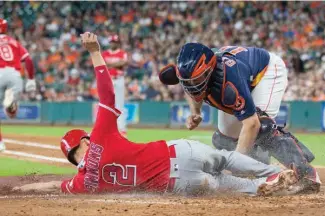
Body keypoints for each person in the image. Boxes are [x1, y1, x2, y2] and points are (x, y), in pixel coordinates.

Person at [13, 33, 298, 196]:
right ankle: (281, 174)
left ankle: (262, 186)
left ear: (71, 158)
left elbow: (51, 185)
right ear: (85, 142)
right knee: (225, 158)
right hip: (177, 154)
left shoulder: (82, 182)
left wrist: (19, 192)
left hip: (179, 184)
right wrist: (95, 54)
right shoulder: (100, 138)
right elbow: (107, 94)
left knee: (225, 184)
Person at [159, 43, 321, 193]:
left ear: (209, 71)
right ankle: (259, 168)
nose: (192, 85)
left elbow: (251, 124)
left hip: (266, 72)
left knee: (262, 128)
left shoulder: (229, 82)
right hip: (243, 75)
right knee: (223, 139)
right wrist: (196, 112)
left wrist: (234, 166)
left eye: (197, 80)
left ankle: (306, 173)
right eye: (187, 81)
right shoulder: (194, 76)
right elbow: (189, 87)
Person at [0, 18, 36, 151]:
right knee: (10, 108)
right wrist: (31, 79)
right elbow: (28, 59)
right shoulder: (14, 42)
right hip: (15, 75)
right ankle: (10, 103)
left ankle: (0, 143)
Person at [102, 35, 128, 137]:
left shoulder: (122, 53)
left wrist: (110, 64)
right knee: (106, 105)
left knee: (119, 105)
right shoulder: (105, 53)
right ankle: (105, 129)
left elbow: (124, 62)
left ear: (118, 43)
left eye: (115, 42)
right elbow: (102, 64)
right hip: (108, 80)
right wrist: (117, 64)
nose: (113, 43)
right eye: (112, 42)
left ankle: (122, 129)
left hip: (119, 79)